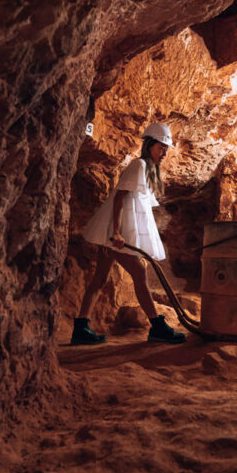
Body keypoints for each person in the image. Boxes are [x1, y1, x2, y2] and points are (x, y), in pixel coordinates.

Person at [71, 122, 186, 345]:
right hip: (118, 233)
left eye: (166, 149)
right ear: (150, 145)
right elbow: (120, 198)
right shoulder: (139, 165)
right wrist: (115, 232)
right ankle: (158, 327)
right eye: (161, 147)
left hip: (120, 232)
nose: (164, 153)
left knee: (100, 279)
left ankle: (80, 328)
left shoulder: (149, 170)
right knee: (139, 272)